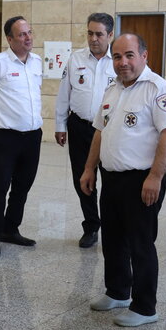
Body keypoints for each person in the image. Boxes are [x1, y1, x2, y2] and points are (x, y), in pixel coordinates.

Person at [80, 33, 166, 327]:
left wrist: (155, 176)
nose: (122, 62)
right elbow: (100, 131)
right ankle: (118, 292)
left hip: (142, 180)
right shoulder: (112, 89)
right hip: (111, 178)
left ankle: (145, 307)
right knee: (113, 239)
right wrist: (89, 169)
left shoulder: (158, 90)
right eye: (117, 56)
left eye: (129, 55)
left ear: (144, 56)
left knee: (141, 243)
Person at [0, 16, 44, 258]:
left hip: (33, 136)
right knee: (1, 185)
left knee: (23, 186)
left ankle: (11, 229)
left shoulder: (37, 62)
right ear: (9, 39)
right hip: (6, 137)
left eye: (29, 32)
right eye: (22, 34)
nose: (28, 38)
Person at [54, 13, 116, 248]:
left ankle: (111, 226)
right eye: (90, 33)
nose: (93, 38)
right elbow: (64, 94)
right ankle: (91, 226)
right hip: (80, 127)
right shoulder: (75, 59)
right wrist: (60, 125)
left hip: (110, 131)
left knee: (110, 180)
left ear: (110, 35)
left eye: (99, 34)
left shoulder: (118, 60)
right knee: (83, 179)